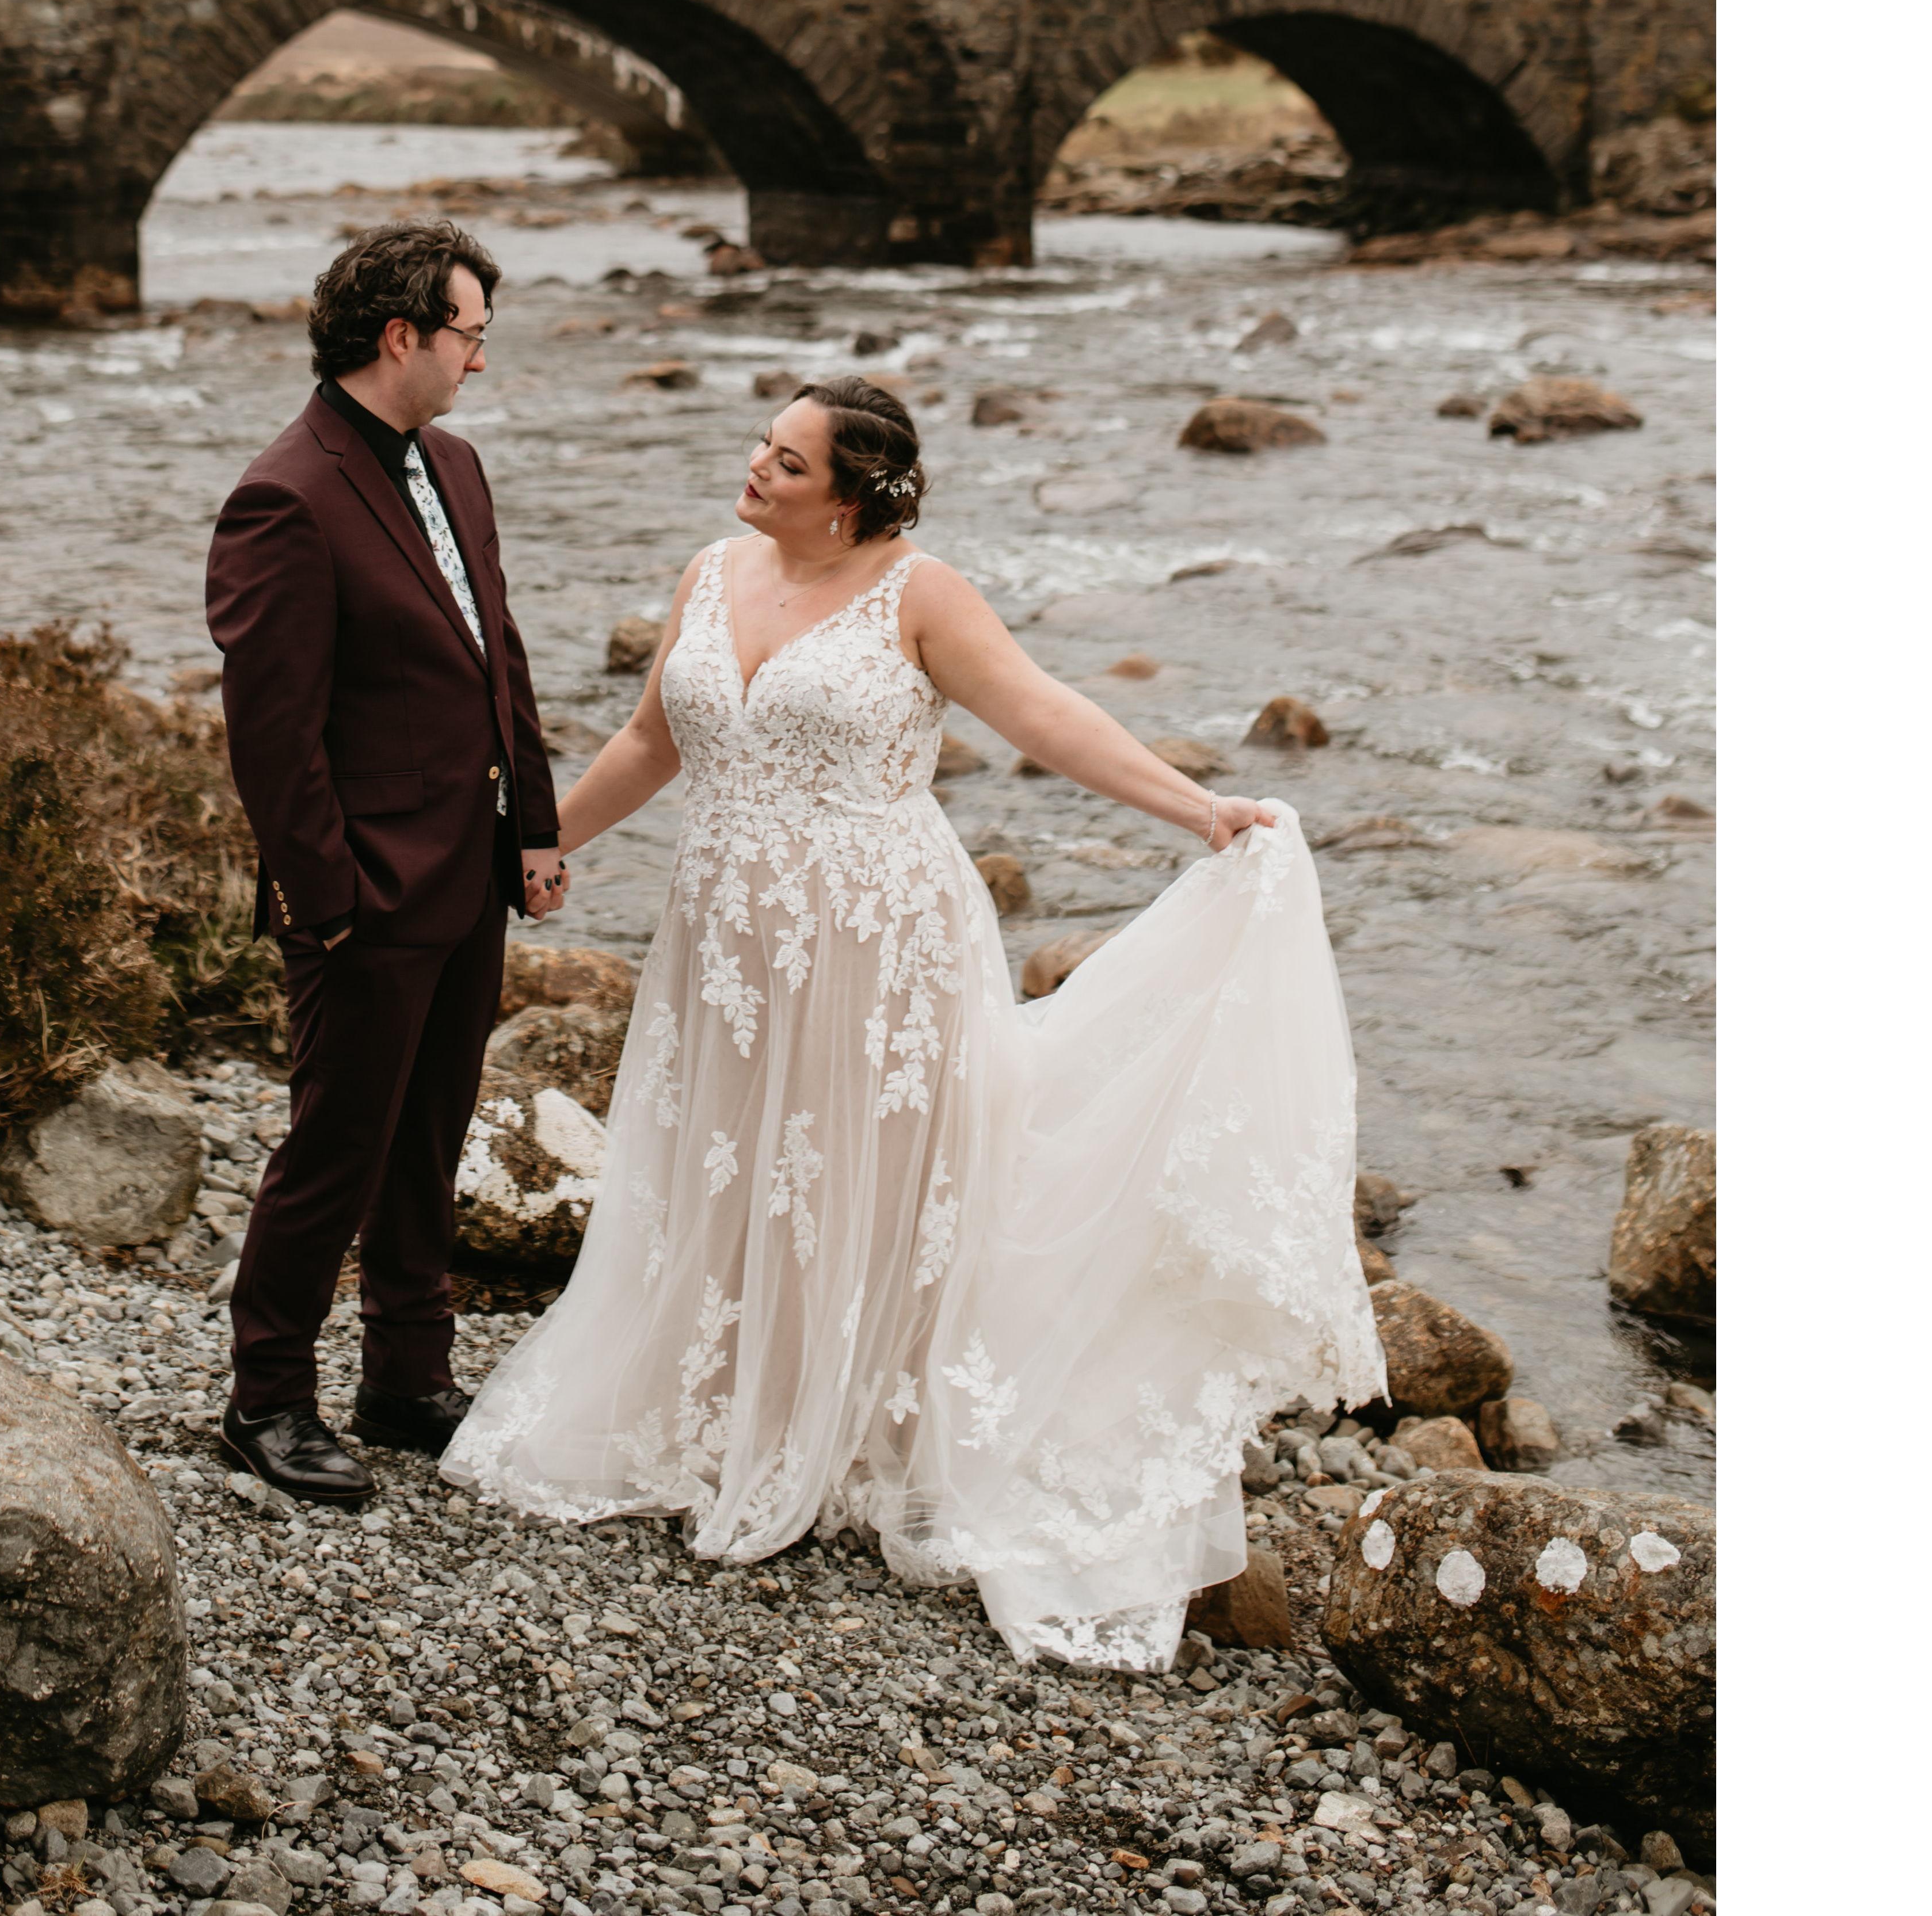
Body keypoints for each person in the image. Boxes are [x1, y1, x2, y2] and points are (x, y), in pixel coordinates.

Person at [440, 374, 1384, 1663]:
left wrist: (1197, 809)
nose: (755, 468)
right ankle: (734, 1414)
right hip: (725, 937)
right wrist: (535, 847)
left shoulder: (922, 593)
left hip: (880, 937)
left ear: (849, 498)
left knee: (868, 1177)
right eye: (762, 447)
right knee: (730, 1165)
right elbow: (656, 736)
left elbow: (1043, 713)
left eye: (785, 460)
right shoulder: (713, 569)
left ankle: (862, 1434)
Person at [206, 217, 571, 1507]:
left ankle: (407, 1379)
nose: (480, 360)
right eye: (469, 334)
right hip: (363, 889)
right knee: (336, 1146)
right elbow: (273, 735)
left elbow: (496, 654)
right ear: (399, 334)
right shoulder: (285, 493)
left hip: (470, 867)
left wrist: (534, 824)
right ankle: (267, 1398)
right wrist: (332, 901)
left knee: (429, 1134)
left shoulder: (455, 466)